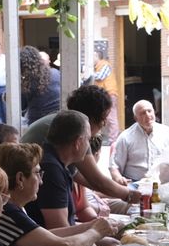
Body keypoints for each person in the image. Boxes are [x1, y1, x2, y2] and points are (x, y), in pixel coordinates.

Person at [0, 141, 113, 246]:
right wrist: (96, 232)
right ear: (20, 179)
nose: (41, 181)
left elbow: (43, 235)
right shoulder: (9, 212)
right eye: (37, 173)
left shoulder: (14, 207)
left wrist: (89, 226)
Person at [20, 84, 138, 212]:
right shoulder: (76, 131)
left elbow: (83, 178)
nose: (104, 124)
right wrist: (129, 194)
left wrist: (120, 190)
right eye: (103, 118)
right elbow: (97, 180)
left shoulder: (63, 122)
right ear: (91, 118)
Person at [110, 99, 169, 183]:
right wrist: (119, 179)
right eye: (142, 113)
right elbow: (114, 166)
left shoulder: (167, 133)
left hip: (162, 183)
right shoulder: (125, 137)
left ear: (154, 112)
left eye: (149, 111)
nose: (148, 115)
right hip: (134, 183)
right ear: (136, 118)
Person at [18, 47, 60, 126]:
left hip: (38, 123)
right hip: (58, 120)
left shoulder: (28, 83)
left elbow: (21, 105)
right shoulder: (56, 73)